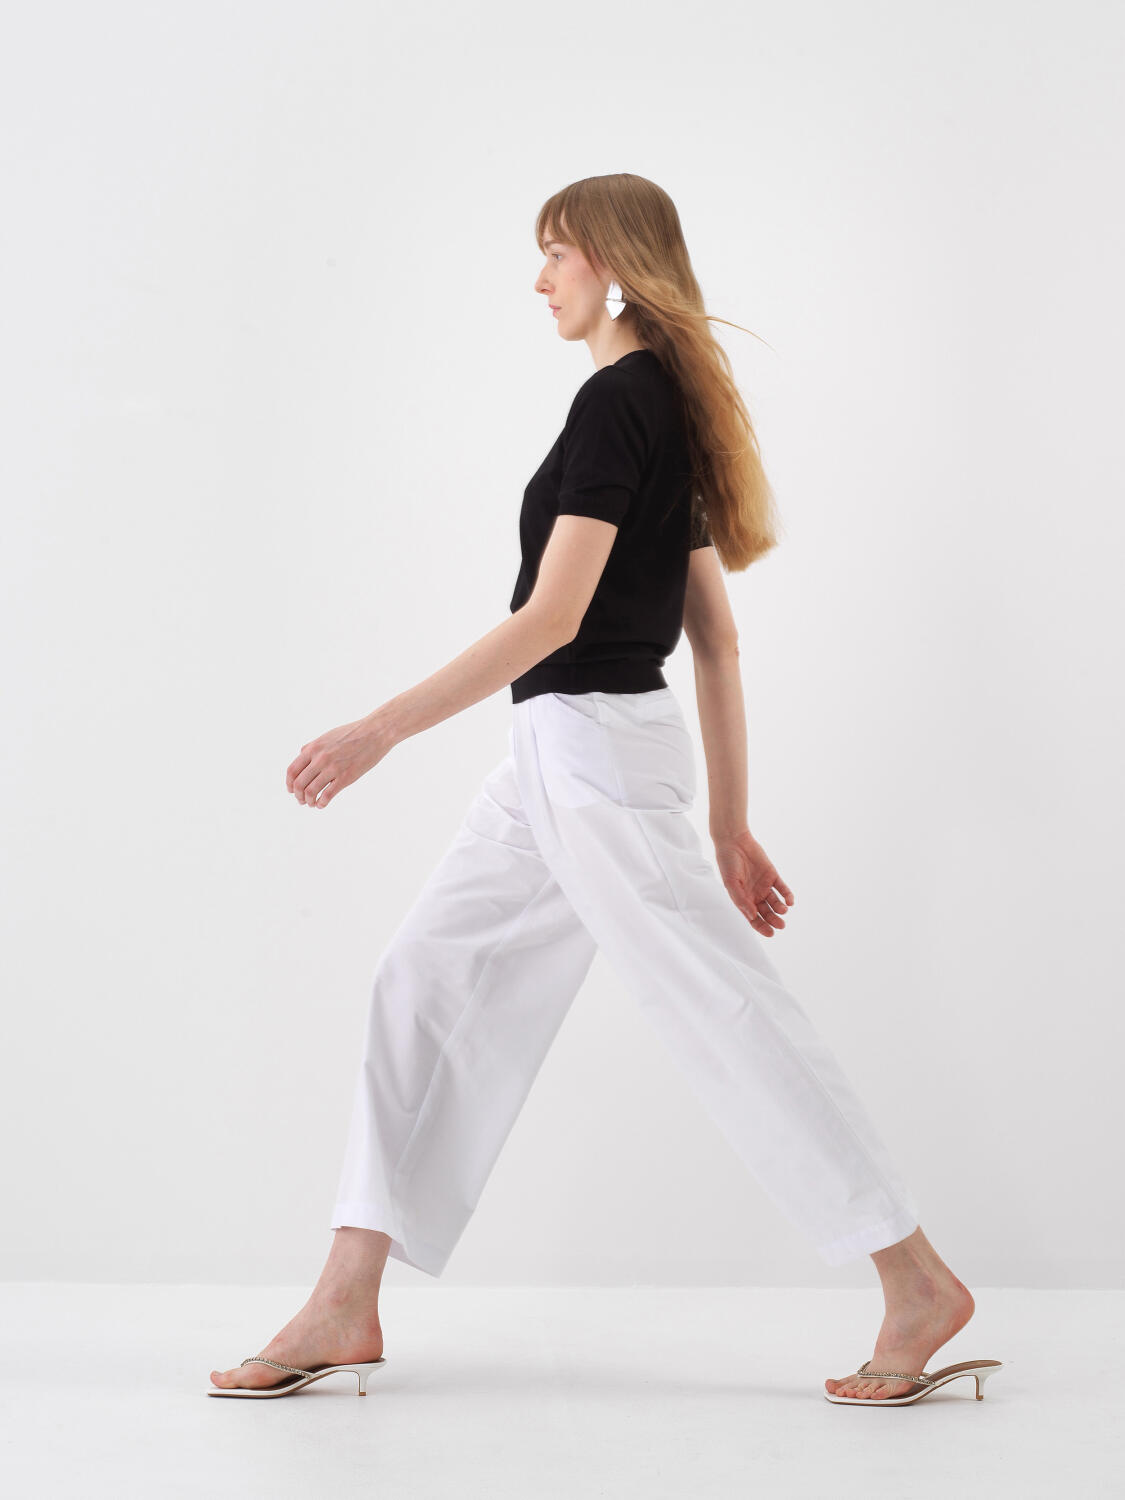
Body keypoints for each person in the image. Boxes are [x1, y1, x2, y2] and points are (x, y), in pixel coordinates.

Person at [210, 174, 978, 1402]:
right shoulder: (661, 404)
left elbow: (553, 617)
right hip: (564, 756)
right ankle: (346, 1297)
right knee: (424, 976)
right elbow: (716, 638)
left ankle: (915, 1277)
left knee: (722, 1010)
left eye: (557, 254)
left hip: (596, 756)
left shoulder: (620, 403)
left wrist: (379, 731)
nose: (541, 279)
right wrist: (725, 823)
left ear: (612, 264)